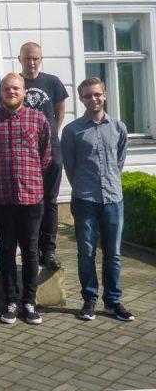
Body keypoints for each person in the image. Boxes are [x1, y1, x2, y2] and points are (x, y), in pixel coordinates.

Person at [0, 73, 52, 326]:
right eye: (7, 88)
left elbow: (46, 155)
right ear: (1, 93)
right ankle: (11, 301)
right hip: (2, 196)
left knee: (31, 251)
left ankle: (30, 302)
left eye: (16, 88)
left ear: (24, 92)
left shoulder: (38, 118)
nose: (11, 92)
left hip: (31, 197)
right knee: (7, 251)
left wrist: (30, 177)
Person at [63, 77, 134, 323]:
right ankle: (89, 300)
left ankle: (113, 301)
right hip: (85, 199)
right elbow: (70, 166)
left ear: (104, 95)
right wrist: (84, 186)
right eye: (87, 95)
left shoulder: (118, 127)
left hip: (113, 199)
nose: (93, 99)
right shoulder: (72, 131)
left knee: (113, 253)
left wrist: (109, 182)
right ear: (81, 99)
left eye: (97, 94)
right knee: (86, 252)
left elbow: (119, 161)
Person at [18, 42, 69, 271]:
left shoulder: (52, 82)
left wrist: (51, 137)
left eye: (35, 58)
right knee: (30, 201)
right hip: (24, 151)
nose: (31, 63)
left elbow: (59, 112)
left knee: (50, 200)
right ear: (20, 59)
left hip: (51, 149)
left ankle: (48, 249)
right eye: (27, 58)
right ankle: (31, 247)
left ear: (41, 59)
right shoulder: (15, 83)